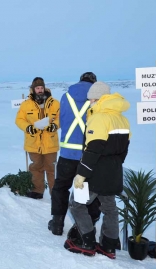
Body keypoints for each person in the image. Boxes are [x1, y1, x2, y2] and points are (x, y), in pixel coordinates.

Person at [64, 81, 131, 259]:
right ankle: (109, 246)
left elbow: (93, 149)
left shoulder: (99, 118)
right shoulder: (122, 119)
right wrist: (114, 165)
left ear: (97, 99)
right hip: (114, 172)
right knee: (110, 208)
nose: (90, 103)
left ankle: (87, 242)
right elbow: (124, 150)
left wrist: (81, 174)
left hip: (95, 172)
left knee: (76, 204)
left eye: (91, 99)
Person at [48, 72, 102, 236]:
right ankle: (85, 226)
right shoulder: (97, 99)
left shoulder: (66, 97)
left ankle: (57, 223)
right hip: (88, 155)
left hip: (67, 153)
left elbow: (62, 119)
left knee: (61, 188)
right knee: (88, 190)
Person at [15, 77, 60, 199]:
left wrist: (55, 125)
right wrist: (28, 127)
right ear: (33, 89)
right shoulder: (26, 104)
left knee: (51, 169)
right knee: (36, 168)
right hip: (33, 142)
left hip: (50, 142)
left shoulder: (54, 103)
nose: (40, 90)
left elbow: (60, 118)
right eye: (37, 88)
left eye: (41, 87)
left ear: (44, 88)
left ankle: (55, 193)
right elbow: (19, 120)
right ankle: (37, 191)